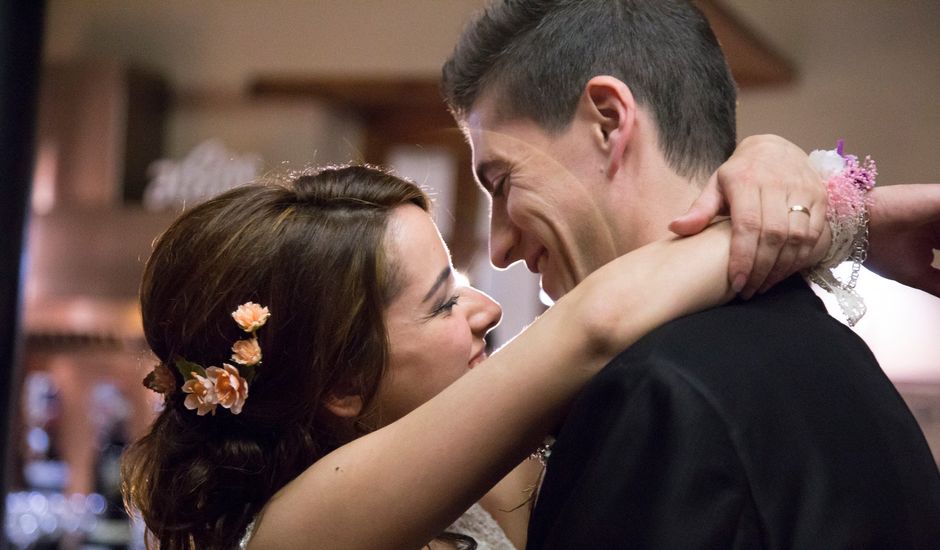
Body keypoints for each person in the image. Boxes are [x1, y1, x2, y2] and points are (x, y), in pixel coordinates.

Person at [120, 158, 840, 549]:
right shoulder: (297, 534)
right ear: (343, 380)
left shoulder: (492, 447)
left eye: (461, 284)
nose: (489, 310)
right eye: (443, 303)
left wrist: (771, 166)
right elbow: (592, 327)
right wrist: (840, 212)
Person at [440, 0, 940, 548]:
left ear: (608, 120)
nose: (499, 247)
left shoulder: (654, 395)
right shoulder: (840, 355)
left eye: (504, 182)